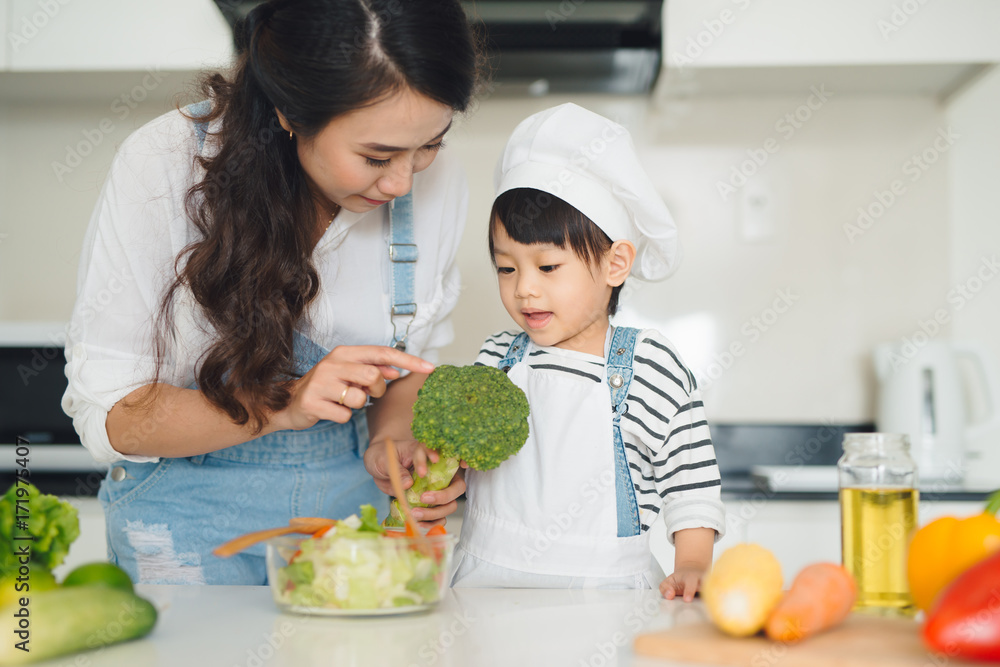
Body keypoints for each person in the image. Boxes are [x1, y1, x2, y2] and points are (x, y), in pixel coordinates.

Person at [61, 0, 478, 585]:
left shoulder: (437, 183)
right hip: (183, 542)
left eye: (431, 144)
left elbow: (406, 365)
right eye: (376, 157)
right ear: (290, 113)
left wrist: (395, 441)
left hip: (344, 528)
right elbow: (116, 419)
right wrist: (286, 404)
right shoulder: (163, 166)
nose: (404, 181)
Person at [451, 104, 726, 596]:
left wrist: (693, 563)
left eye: (548, 267)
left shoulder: (648, 368)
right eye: (506, 268)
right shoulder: (495, 358)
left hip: (605, 595)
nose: (524, 290)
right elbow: (460, 456)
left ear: (615, 263)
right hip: (481, 586)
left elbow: (691, 483)